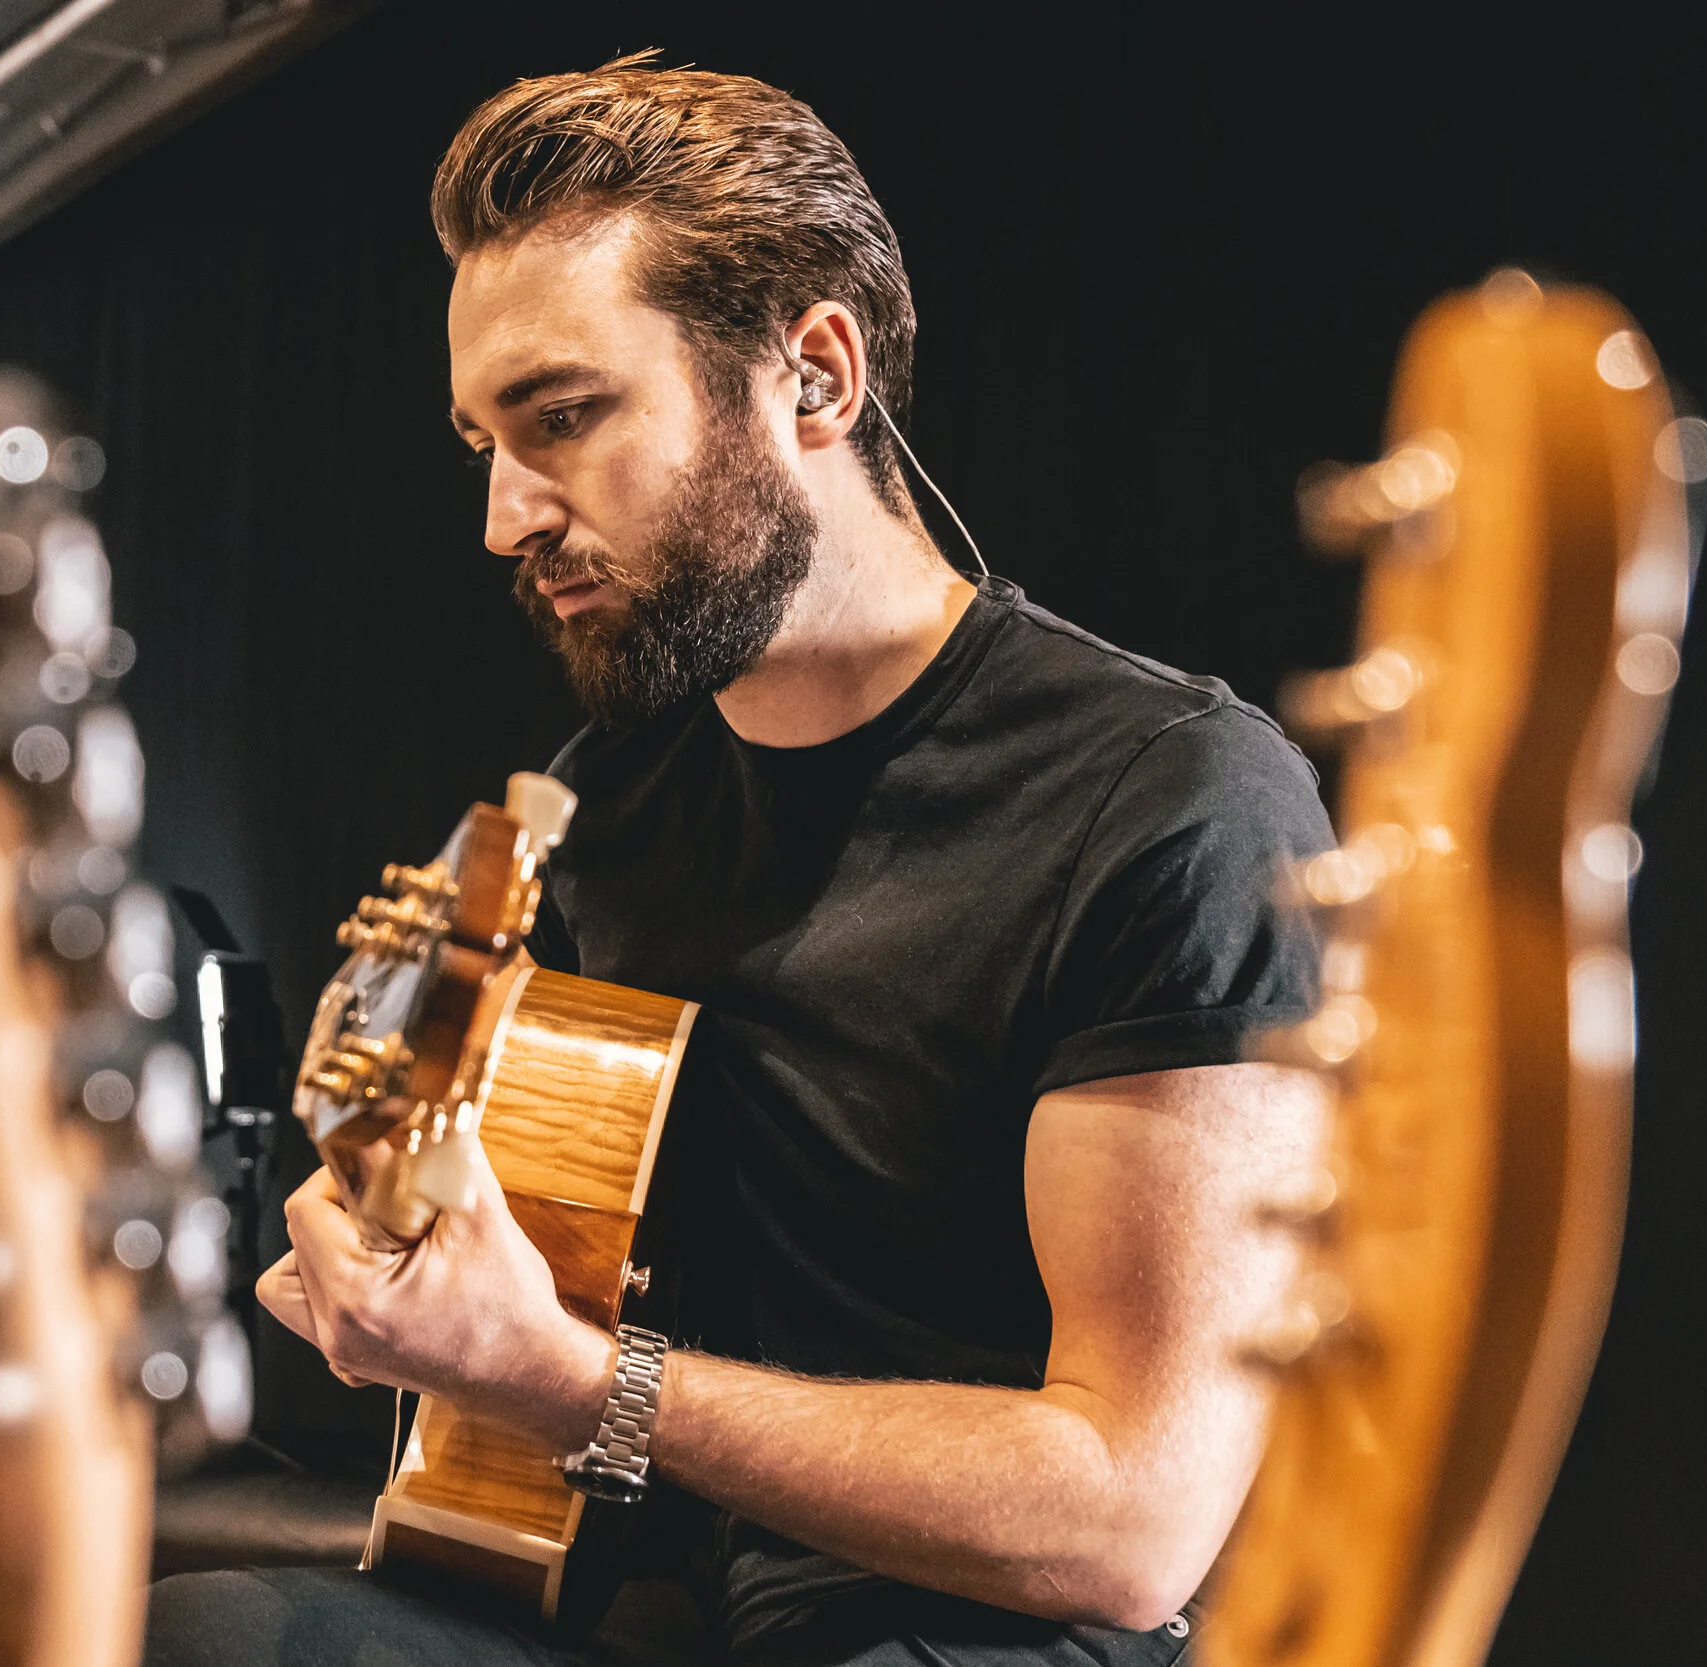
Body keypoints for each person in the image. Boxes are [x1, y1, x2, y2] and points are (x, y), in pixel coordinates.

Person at [149, 55, 1337, 1667]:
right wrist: (387, 1246)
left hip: (992, 1630)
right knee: (213, 1633)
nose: (507, 517)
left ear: (816, 376)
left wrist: (579, 1380)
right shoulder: (602, 806)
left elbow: (1127, 1519)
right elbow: (534, 1271)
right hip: (677, 1594)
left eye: (564, 418)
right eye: (483, 442)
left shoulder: (1168, 798)